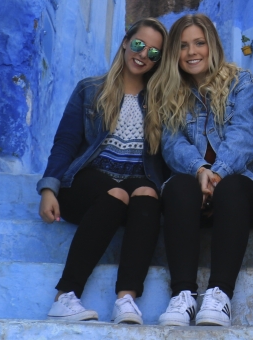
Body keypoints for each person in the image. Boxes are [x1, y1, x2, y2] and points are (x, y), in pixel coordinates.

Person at [36, 18, 169, 325]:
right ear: (125, 42)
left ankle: (126, 299)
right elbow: (66, 142)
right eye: (138, 45)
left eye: (153, 52)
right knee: (116, 193)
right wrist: (48, 188)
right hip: (88, 179)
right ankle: (65, 297)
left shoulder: (160, 100)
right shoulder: (90, 89)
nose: (143, 54)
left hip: (135, 183)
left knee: (148, 193)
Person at [150, 13, 253, 327]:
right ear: (175, 52)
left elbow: (246, 135)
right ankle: (183, 295)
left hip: (236, 190)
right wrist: (200, 169)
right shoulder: (169, 91)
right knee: (178, 186)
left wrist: (218, 173)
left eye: (199, 43)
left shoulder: (241, 82)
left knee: (232, 188)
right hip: (191, 192)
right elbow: (172, 145)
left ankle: (219, 295)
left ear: (212, 45)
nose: (192, 52)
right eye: (183, 46)